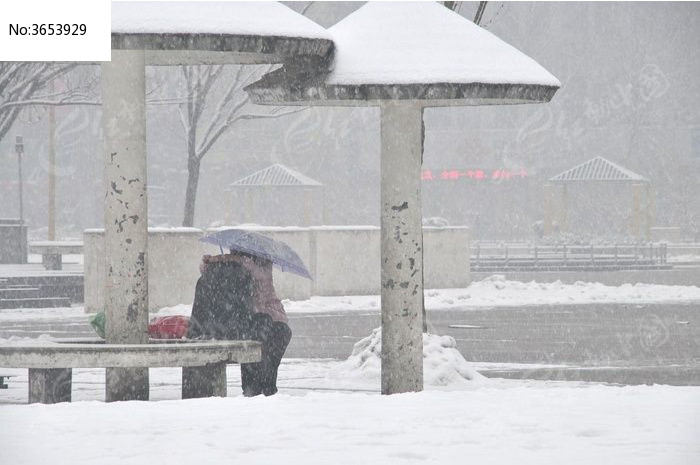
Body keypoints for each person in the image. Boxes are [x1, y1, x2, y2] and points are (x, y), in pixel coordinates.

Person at [188, 251, 292, 397]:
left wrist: (221, 259)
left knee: (268, 342)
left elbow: (255, 272)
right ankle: (256, 387)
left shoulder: (262, 265)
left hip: (272, 316)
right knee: (256, 341)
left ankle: (263, 386)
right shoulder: (233, 271)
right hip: (254, 318)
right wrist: (215, 260)